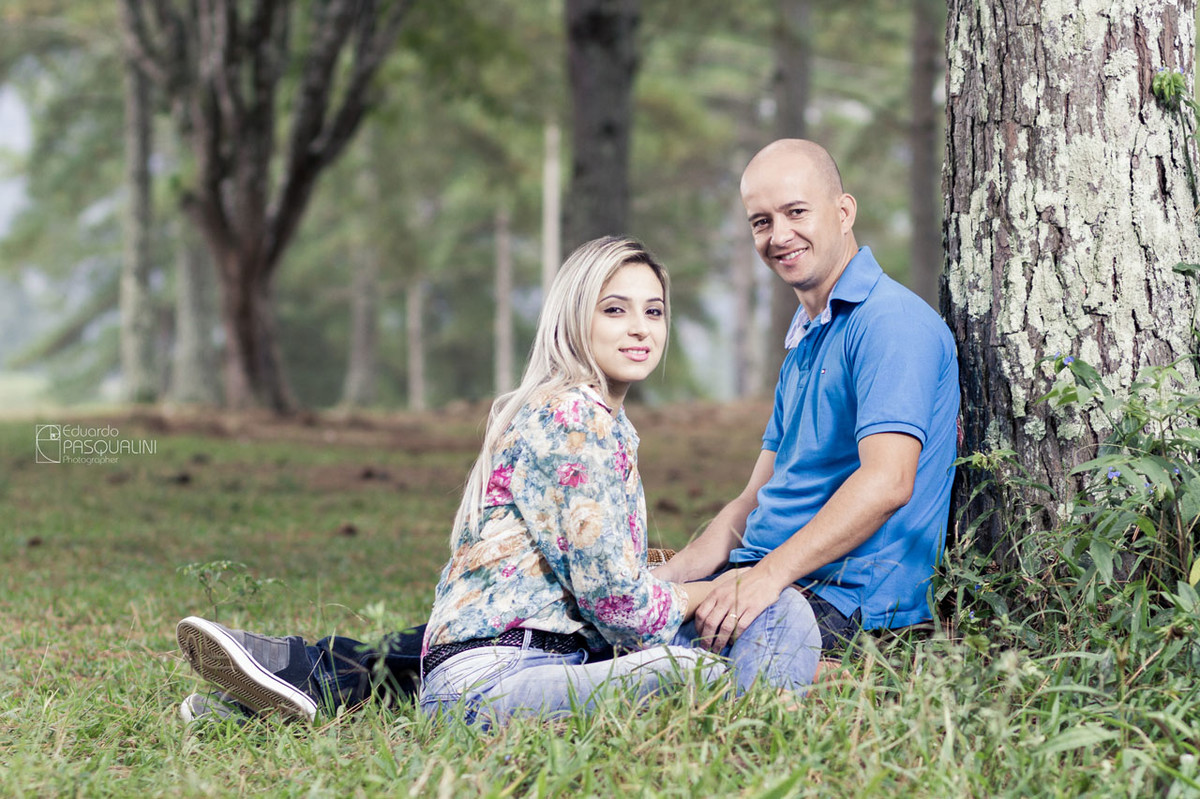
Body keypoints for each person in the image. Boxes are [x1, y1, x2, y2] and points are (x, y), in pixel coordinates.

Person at [175, 236, 822, 727]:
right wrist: (712, 590)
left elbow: (605, 597)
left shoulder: (596, 422)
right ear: (577, 317)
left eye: (653, 310)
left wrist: (724, 591)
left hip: (532, 659)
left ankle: (249, 706)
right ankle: (757, 720)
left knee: (779, 605)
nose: (639, 326)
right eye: (616, 308)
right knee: (686, 667)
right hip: (491, 681)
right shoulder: (573, 416)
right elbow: (621, 611)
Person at [652, 139, 960, 661]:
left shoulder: (891, 323)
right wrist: (668, 575)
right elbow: (754, 499)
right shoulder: (807, 336)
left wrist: (763, 577)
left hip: (838, 602)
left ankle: (842, 676)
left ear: (843, 212)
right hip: (767, 576)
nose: (779, 236)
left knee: (622, 647)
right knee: (617, 610)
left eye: (796, 212)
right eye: (761, 221)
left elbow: (888, 483)